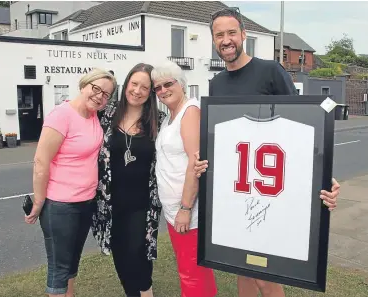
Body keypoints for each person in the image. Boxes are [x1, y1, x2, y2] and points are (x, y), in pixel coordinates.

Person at [193, 7, 341, 297]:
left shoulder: (271, 71)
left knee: (267, 276)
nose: (226, 40)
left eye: (231, 33)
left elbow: (303, 126)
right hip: (239, 192)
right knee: (242, 269)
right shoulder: (217, 84)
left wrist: (324, 175)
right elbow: (221, 140)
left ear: (243, 35)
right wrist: (205, 163)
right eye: (219, 35)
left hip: (271, 189)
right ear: (213, 40)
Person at [25, 68, 116, 297]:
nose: (99, 96)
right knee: (59, 269)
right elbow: (41, 161)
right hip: (60, 205)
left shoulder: (93, 115)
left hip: (85, 202)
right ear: (84, 85)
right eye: (96, 89)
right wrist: (38, 201)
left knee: (72, 263)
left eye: (106, 94)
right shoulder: (61, 115)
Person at [91, 63, 166, 297]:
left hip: (142, 203)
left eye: (145, 87)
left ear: (151, 92)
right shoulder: (108, 114)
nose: (138, 90)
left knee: (137, 252)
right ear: (126, 85)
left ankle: (146, 291)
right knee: (120, 253)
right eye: (134, 84)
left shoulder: (159, 121)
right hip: (110, 202)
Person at [151, 60, 218, 297]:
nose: (162, 91)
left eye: (168, 84)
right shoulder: (171, 116)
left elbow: (195, 163)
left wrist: (186, 208)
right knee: (190, 270)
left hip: (188, 210)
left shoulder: (190, 112)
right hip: (173, 209)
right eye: (157, 88)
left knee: (192, 273)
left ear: (181, 84)